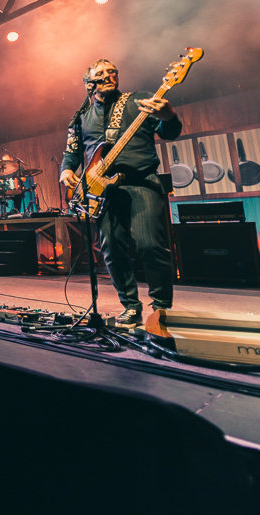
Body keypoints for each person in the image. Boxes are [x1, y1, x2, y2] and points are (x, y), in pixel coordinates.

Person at [59, 59, 182, 329]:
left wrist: (169, 116)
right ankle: (130, 306)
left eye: (112, 71)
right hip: (101, 190)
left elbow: (169, 133)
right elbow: (72, 151)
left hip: (141, 181)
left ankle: (161, 307)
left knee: (150, 245)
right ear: (88, 82)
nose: (108, 75)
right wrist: (66, 170)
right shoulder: (81, 116)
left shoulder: (138, 100)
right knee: (112, 250)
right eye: (101, 73)